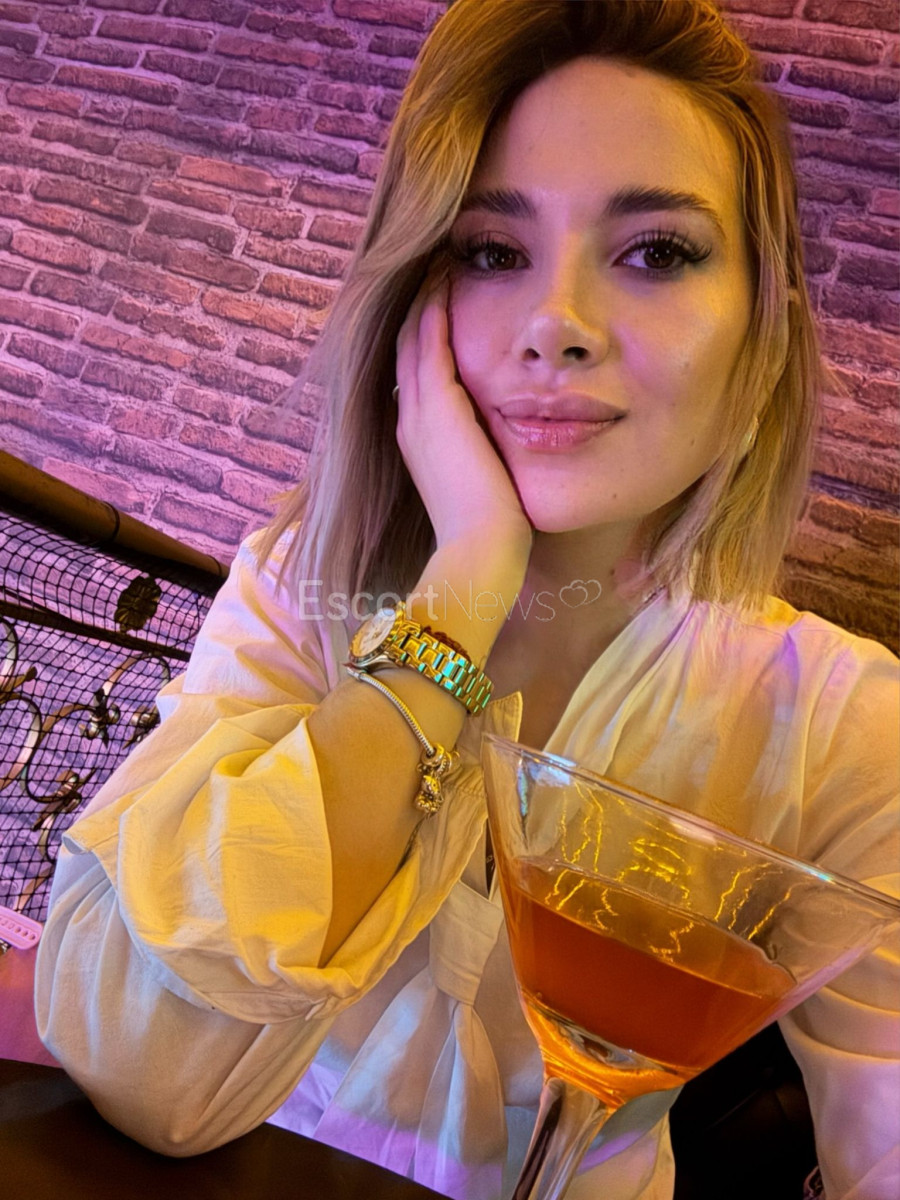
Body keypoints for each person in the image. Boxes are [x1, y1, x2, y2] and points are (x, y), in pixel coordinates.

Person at [35, 2, 899, 1198]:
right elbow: (147, 1078)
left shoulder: (850, 726)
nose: (556, 326)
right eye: (491, 252)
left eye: (658, 252)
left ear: (765, 331)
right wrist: (466, 587)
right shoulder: (297, 588)